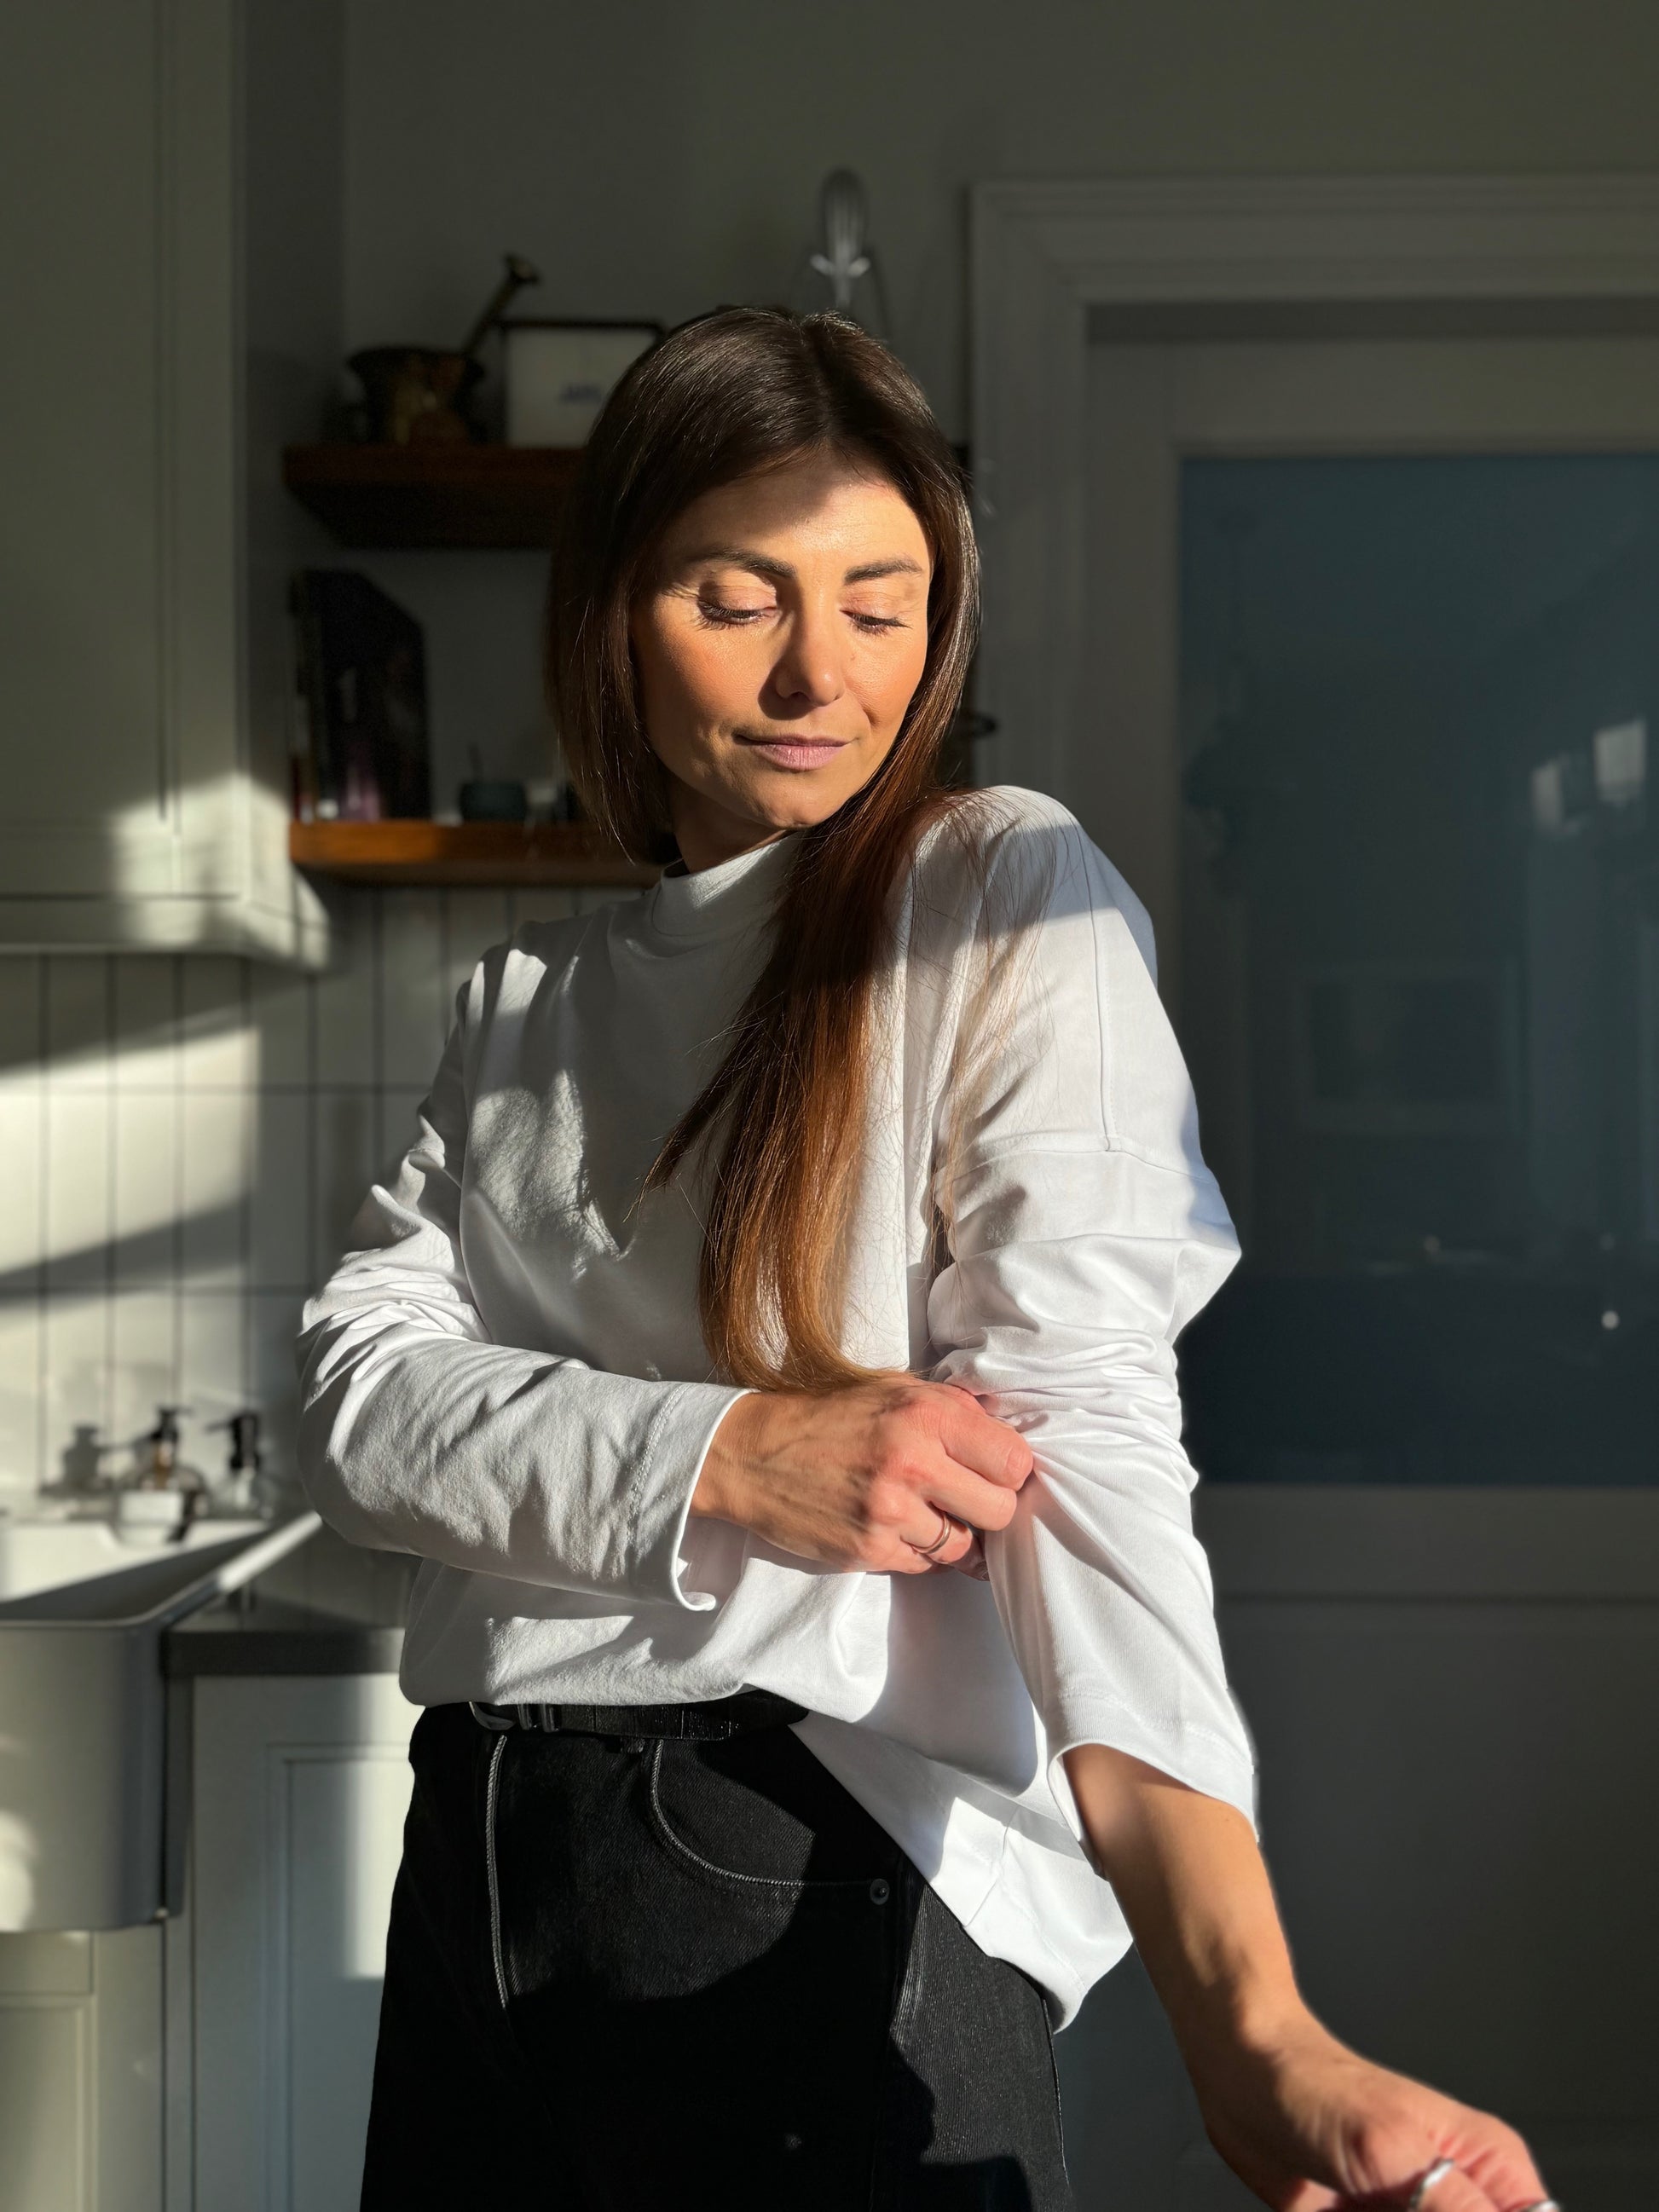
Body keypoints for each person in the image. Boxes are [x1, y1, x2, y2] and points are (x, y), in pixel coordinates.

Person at [297, 308, 1554, 2212]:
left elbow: (1084, 1443)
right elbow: (350, 1407)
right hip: (482, 1855)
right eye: (738, 598)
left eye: (880, 605)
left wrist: (1251, 2024)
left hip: (794, 1854)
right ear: (612, 615)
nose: (823, 670)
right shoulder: (523, 1001)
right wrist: (732, 1451)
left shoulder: (996, 891)